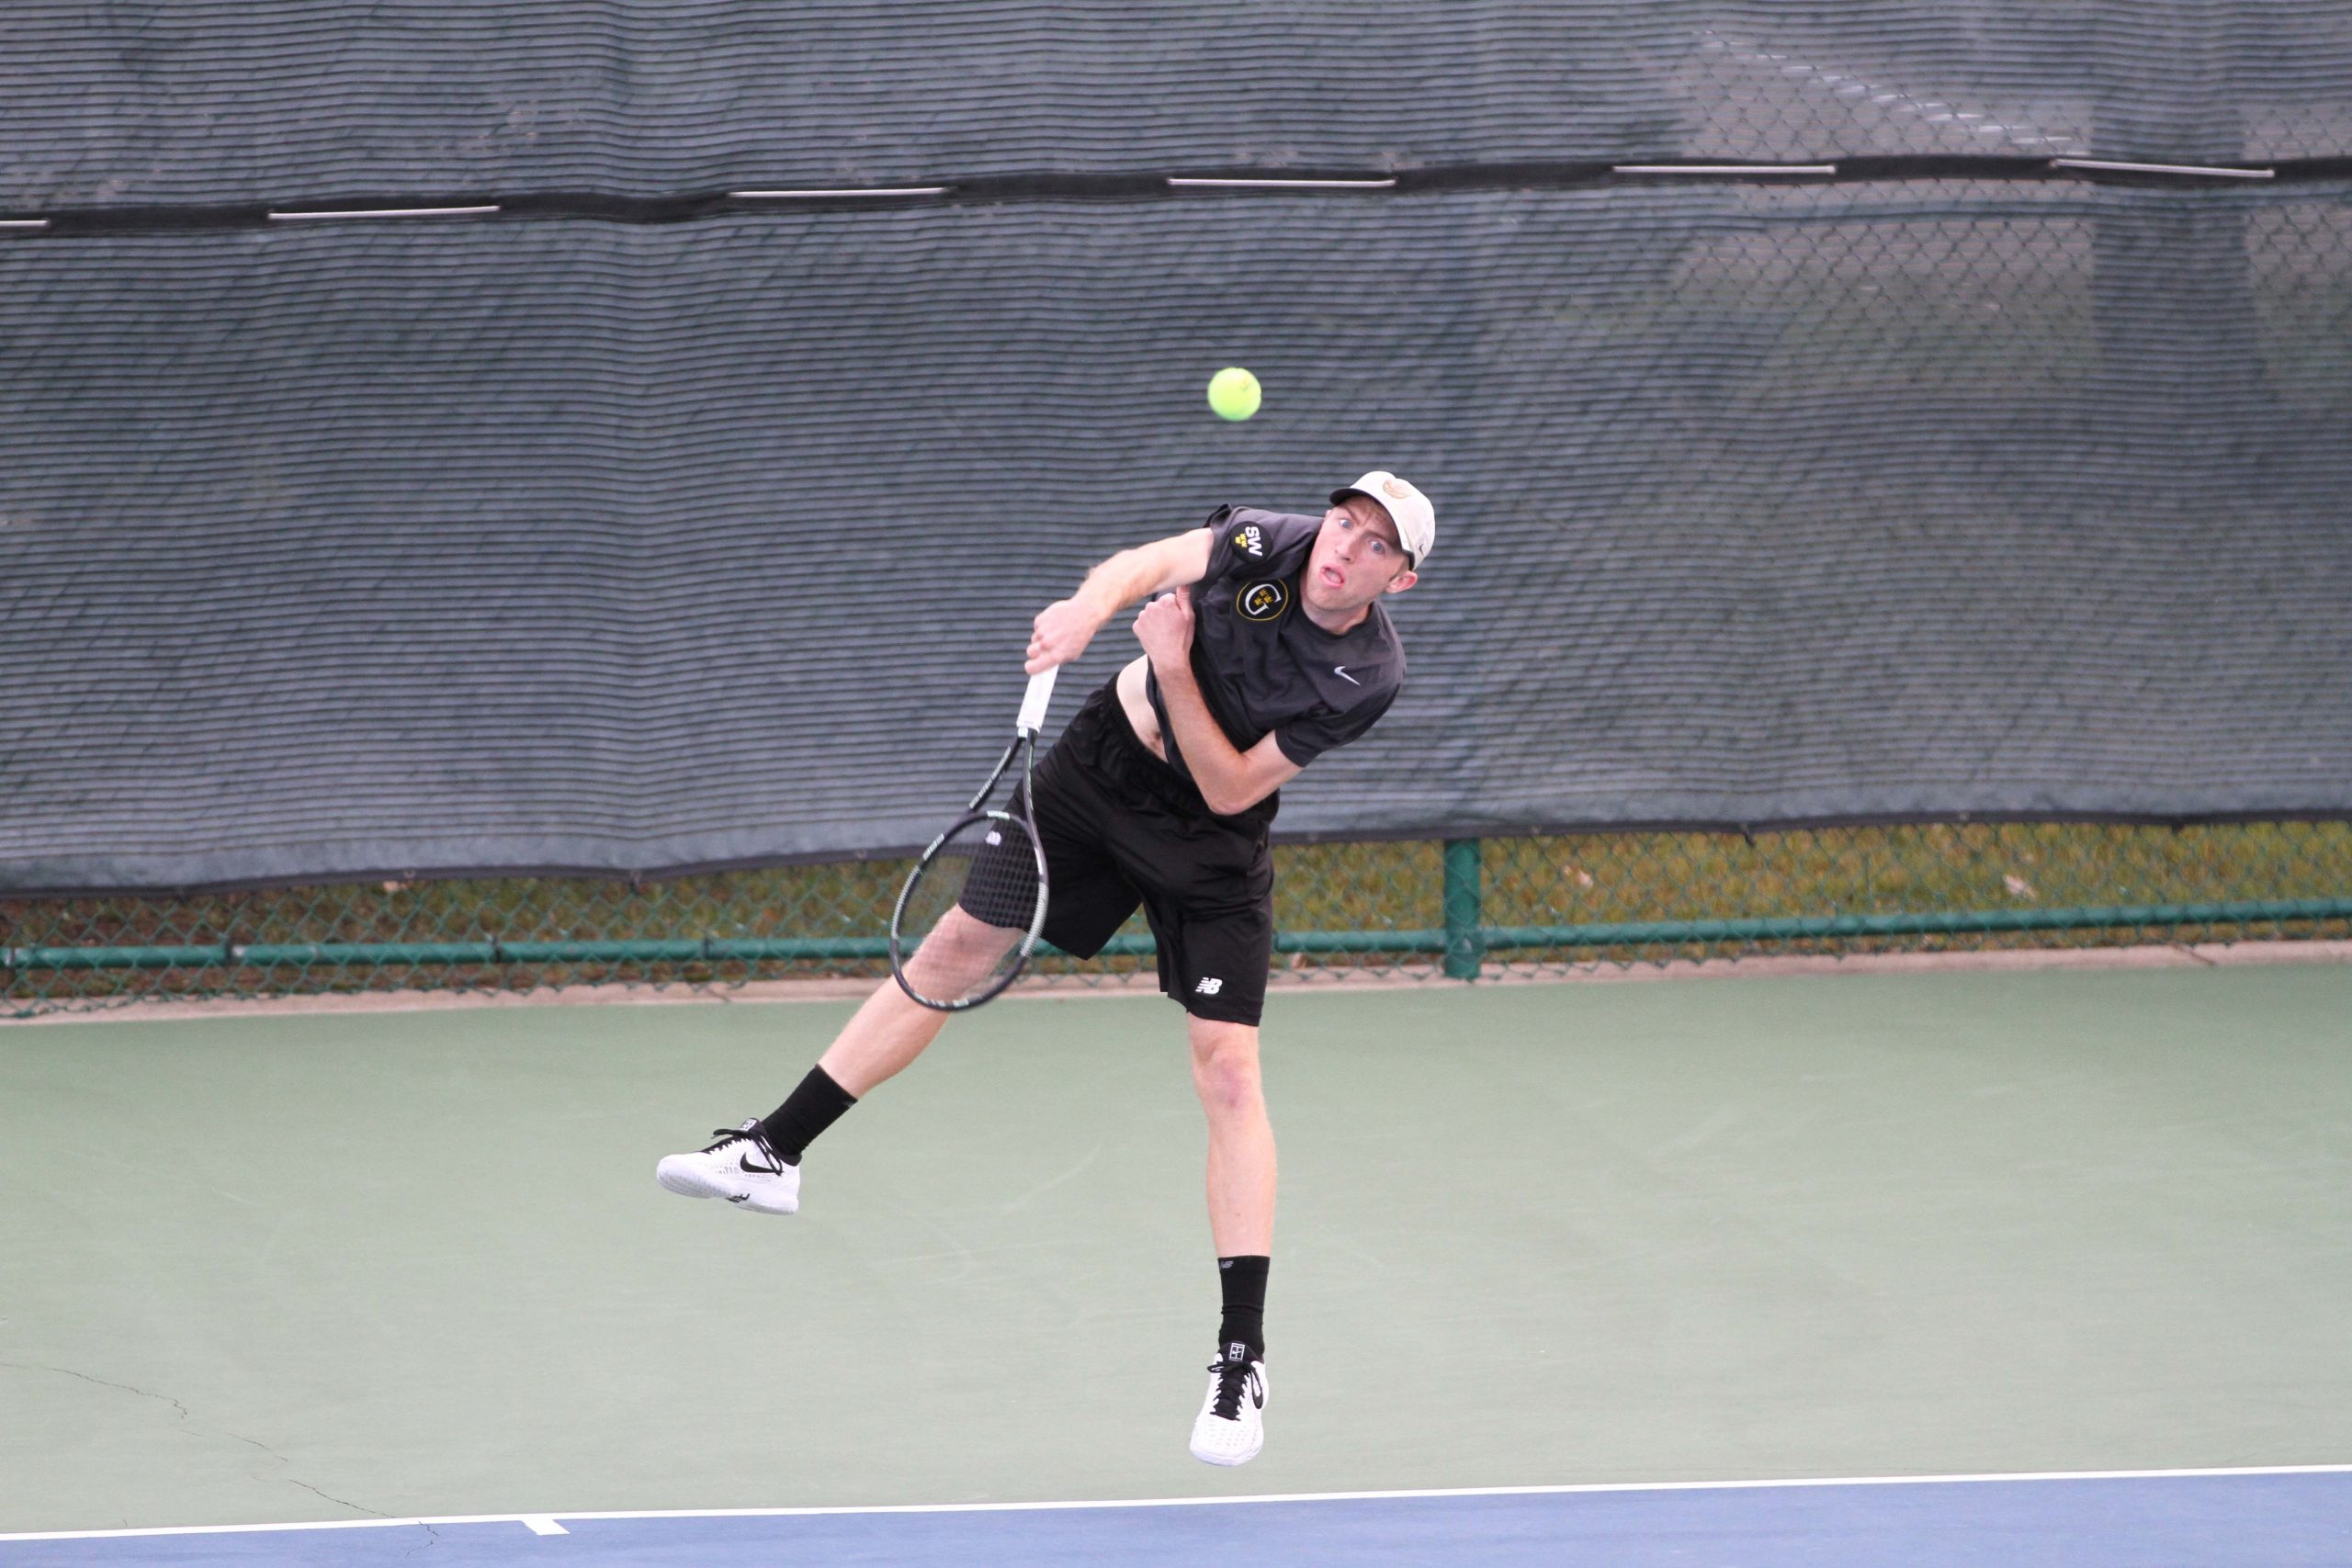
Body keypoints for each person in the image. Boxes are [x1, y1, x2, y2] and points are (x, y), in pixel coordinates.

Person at [655, 471, 1435, 1466]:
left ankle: (1240, 1358)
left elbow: (1232, 784)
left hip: (1210, 841)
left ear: (1397, 582)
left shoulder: (1365, 674)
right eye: (1344, 522)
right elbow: (1145, 566)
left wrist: (1175, 665)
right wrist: (1084, 611)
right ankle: (772, 1154)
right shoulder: (1264, 542)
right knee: (953, 950)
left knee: (1229, 1074)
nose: (1344, 547)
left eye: (1375, 546)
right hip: (1097, 774)